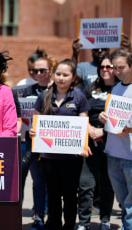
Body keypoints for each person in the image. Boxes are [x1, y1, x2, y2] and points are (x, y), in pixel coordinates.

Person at [29, 59, 90, 230]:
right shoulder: (44, 96)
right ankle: (53, 224)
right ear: (54, 75)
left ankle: (69, 225)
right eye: (58, 74)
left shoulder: (79, 97)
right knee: (53, 194)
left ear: (73, 77)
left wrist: (84, 146)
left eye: (66, 75)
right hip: (49, 157)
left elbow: (83, 125)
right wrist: (34, 132)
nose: (61, 78)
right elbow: (36, 123)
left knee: (70, 195)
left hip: (71, 158)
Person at [98, 48, 132, 230]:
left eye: (121, 67)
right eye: (115, 68)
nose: (117, 72)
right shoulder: (116, 87)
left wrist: (129, 129)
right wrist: (103, 117)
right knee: (122, 198)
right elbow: (112, 114)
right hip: (113, 152)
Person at [16, 54, 55, 228]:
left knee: (39, 182)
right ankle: (14, 215)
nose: (38, 73)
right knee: (18, 181)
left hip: (45, 144)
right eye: (34, 70)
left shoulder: (57, 91)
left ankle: (39, 215)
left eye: (42, 70)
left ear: (50, 71)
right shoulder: (23, 90)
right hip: (24, 142)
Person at [77, 55, 115, 230]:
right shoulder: (92, 88)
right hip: (90, 141)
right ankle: (83, 223)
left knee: (107, 184)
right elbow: (82, 109)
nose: (105, 70)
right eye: (102, 67)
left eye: (109, 67)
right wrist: (91, 129)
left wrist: (103, 132)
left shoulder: (120, 89)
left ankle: (105, 220)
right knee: (86, 184)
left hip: (111, 143)